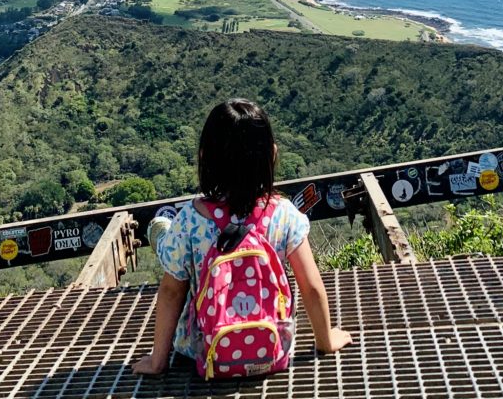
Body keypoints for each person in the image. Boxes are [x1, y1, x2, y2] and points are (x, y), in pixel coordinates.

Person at [132, 99, 352, 376]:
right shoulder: (284, 214)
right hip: (271, 347)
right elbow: (311, 287)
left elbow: (171, 292)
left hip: (200, 350)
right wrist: (325, 341)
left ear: (204, 158)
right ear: (271, 155)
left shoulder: (190, 219)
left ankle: (159, 233)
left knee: (165, 231)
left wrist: (157, 361)